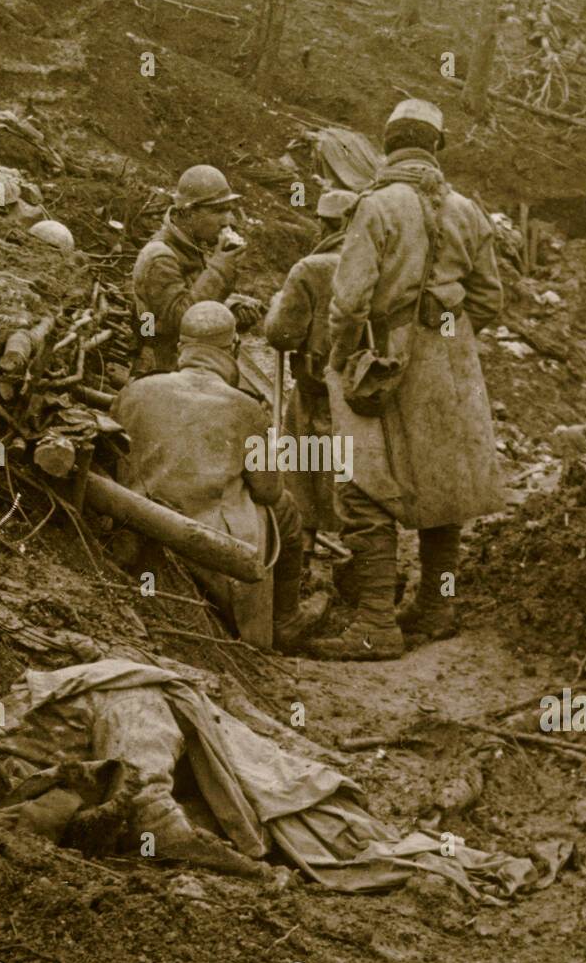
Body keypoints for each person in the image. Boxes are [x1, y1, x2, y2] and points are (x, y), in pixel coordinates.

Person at [309, 99, 504, 661]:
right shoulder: (469, 209)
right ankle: (436, 607)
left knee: (363, 483)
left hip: (385, 362)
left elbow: (348, 302)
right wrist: (449, 331)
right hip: (453, 365)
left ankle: (375, 623)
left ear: (388, 145)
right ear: (436, 149)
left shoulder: (377, 205)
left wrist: (345, 358)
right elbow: (491, 297)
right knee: (444, 485)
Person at [111, 301, 326, 652]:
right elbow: (269, 491)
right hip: (211, 548)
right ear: (234, 349)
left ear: (181, 347)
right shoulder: (246, 407)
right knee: (286, 508)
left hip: (138, 528)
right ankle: (285, 620)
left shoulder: (134, 392)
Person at [262, 188, 357, 547]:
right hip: (365, 393)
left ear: (327, 224)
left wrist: (276, 306)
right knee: (353, 483)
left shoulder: (312, 269)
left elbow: (281, 334)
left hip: (315, 392)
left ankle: (299, 565)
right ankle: (360, 573)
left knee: (301, 478)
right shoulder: (383, 266)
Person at [131, 164, 262, 376]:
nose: (227, 220)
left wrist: (232, 306)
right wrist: (220, 269)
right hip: (162, 374)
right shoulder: (159, 256)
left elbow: (190, 294)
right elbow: (182, 319)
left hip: (185, 366)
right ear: (189, 213)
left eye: (228, 210)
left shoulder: (190, 246)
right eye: (218, 211)